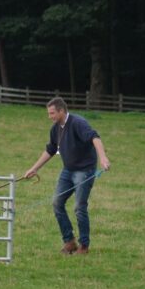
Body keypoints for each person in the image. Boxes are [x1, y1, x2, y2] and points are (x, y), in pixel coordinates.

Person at [24, 97, 110, 255]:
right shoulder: (55, 128)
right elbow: (50, 150)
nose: (50, 117)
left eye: (52, 113)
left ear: (62, 111)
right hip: (68, 170)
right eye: (49, 113)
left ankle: (84, 246)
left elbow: (95, 137)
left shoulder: (78, 123)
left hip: (85, 170)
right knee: (57, 202)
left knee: (79, 207)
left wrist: (103, 158)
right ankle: (69, 242)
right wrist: (34, 169)